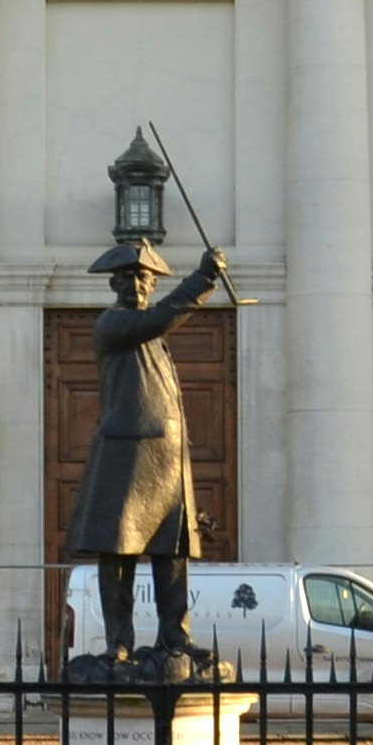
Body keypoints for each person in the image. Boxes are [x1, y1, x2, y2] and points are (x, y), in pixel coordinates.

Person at [68, 232, 229, 672]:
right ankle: (118, 642)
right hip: (127, 455)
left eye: (143, 278)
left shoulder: (155, 340)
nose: (136, 285)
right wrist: (202, 279)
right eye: (128, 277)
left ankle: (175, 637)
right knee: (117, 551)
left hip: (168, 459)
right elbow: (158, 319)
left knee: (171, 553)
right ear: (114, 284)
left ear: (153, 284)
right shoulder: (114, 325)